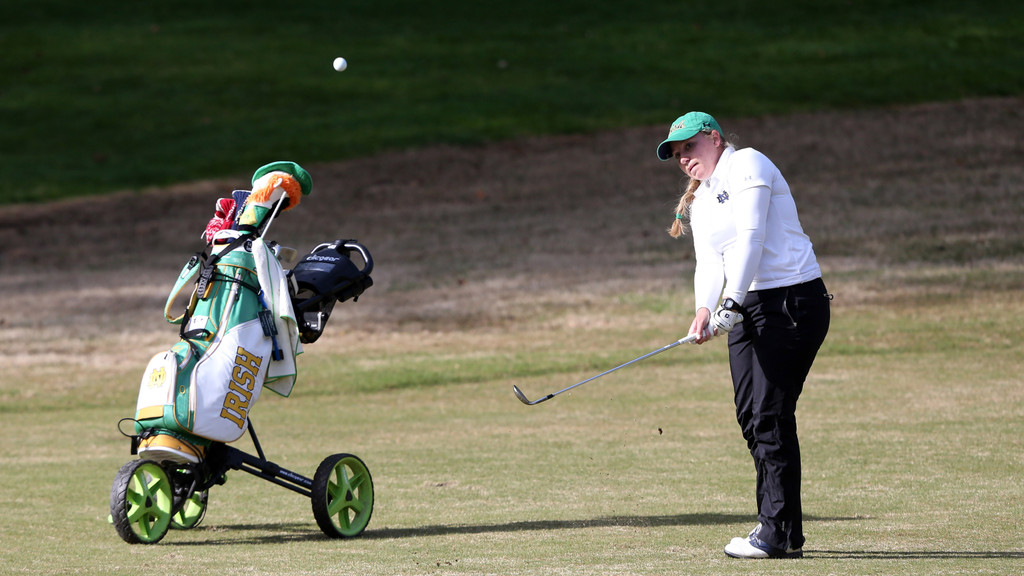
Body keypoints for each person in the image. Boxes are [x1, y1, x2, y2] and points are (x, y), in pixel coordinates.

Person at [656, 111, 831, 559]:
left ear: (714, 139)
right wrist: (704, 311)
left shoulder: (749, 163)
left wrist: (729, 304)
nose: (684, 159)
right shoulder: (701, 198)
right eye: (677, 155)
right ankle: (786, 531)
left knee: (770, 414)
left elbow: (752, 237)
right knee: (751, 417)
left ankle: (772, 533)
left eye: (689, 147)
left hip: (791, 300)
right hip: (749, 305)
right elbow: (709, 262)